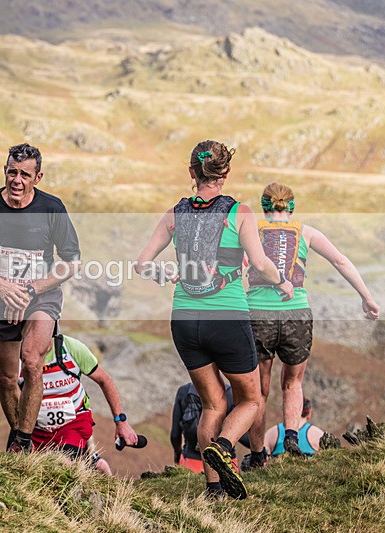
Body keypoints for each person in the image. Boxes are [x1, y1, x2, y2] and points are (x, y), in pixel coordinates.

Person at [135, 140, 294, 500]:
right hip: (226, 316)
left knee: (212, 403)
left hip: (184, 321)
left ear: (192, 172)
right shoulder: (240, 212)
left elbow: (141, 264)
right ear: (225, 174)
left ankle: (213, 489)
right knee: (251, 399)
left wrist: (165, 276)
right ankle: (224, 446)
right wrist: (283, 283)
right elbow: (261, 264)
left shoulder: (174, 214)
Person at [245, 183, 380, 465]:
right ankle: (292, 438)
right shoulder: (306, 232)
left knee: (260, 389)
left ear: (264, 206)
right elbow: (340, 261)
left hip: (258, 314)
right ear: (291, 207)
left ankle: (258, 454)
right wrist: (366, 297)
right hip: (296, 314)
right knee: (293, 382)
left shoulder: (252, 233)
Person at [0, 144, 86, 453]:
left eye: (25, 175)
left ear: (37, 177)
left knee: (31, 360)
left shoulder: (52, 208)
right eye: (12, 172)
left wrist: (30, 289)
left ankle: (23, 441)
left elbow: (72, 262)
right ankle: (22, 439)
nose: (17, 180)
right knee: (6, 378)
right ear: (5, 172)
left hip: (40, 296)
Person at [0, 332, 136, 471]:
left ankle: (91, 463)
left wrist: (122, 423)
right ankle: (92, 461)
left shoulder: (70, 348)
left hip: (72, 425)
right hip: (31, 430)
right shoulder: (17, 358)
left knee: (60, 466)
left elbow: (105, 380)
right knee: (16, 472)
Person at [171, 381, 250, 474]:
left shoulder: (184, 391)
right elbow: (241, 435)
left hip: (191, 461)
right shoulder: (230, 393)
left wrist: (177, 456)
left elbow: (175, 435)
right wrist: (260, 450)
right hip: (226, 462)